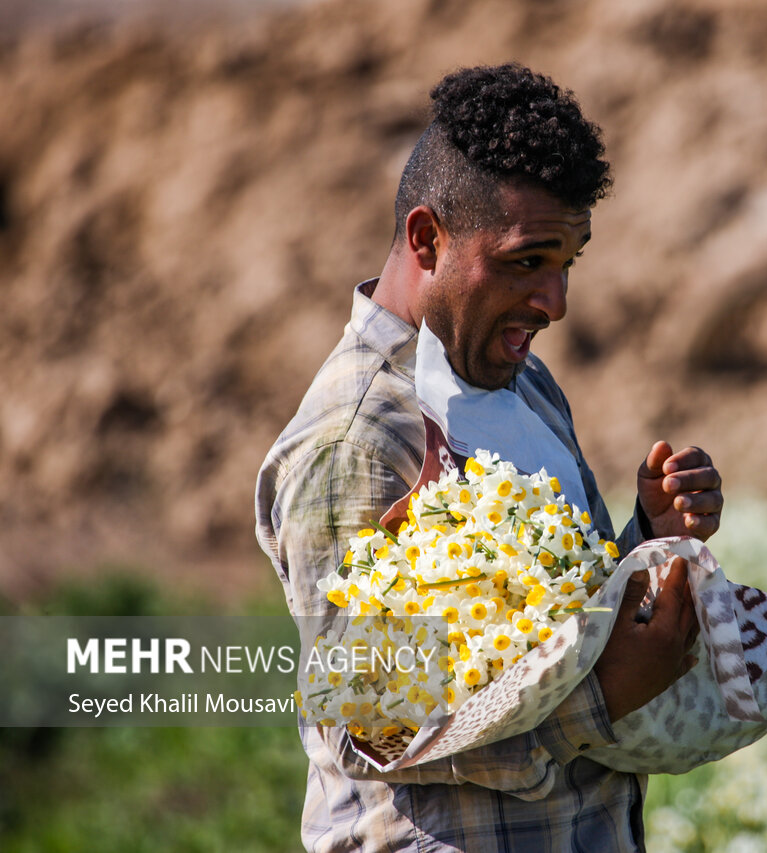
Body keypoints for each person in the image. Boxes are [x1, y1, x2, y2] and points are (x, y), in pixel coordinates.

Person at [255, 63, 724, 852]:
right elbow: (358, 725)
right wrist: (603, 699)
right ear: (427, 239)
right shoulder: (357, 441)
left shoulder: (523, 382)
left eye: (566, 262)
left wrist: (646, 539)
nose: (555, 301)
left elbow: (551, 629)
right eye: (524, 261)